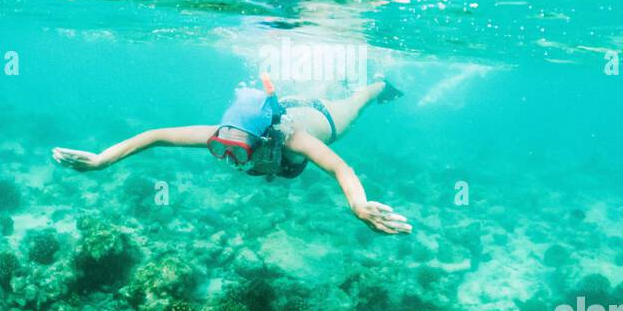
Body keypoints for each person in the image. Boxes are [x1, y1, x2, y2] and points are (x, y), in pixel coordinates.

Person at [52, 76, 411, 234]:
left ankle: (380, 84)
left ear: (260, 141)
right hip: (276, 111)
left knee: (357, 102)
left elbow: (339, 167)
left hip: (323, 117)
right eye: (221, 148)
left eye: (236, 152)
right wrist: (102, 160)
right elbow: (156, 136)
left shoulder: (294, 140)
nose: (228, 159)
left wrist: (358, 205)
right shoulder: (228, 133)